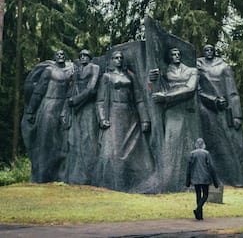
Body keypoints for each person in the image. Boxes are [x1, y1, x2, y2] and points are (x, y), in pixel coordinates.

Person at [197, 44, 243, 187]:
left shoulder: (224, 67)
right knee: (210, 145)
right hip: (205, 110)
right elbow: (196, 90)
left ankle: (237, 178)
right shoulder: (197, 66)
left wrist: (237, 115)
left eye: (211, 50)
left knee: (231, 144)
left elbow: (233, 92)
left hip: (224, 112)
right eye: (206, 50)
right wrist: (212, 100)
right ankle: (210, 177)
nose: (209, 52)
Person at [94, 50, 152, 192]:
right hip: (114, 114)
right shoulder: (106, 77)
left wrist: (145, 119)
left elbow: (139, 99)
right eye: (116, 58)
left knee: (135, 151)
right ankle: (113, 184)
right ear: (112, 60)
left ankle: (137, 183)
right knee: (115, 152)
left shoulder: (130, 77)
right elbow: (100, 101)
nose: (119, 60)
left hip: (131, 115)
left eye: (121, 58)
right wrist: (102, 119)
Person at [150, 47, 201, 192]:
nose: (177, 56)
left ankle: (192, 181)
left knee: (190, 145)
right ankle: (170, 181)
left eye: (179, 53)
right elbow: (152, 87)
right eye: (173, 54)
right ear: (169, 57)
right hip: (171, 110)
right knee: (171, 144)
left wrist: (166, 96)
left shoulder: (192, 71)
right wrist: (151, 78)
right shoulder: (164, 71)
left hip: (188, 110)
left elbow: (190, 89)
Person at [22, 50, 74, 183]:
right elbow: (39, 91)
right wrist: (31, 111)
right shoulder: (49, 71)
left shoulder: (70, 70)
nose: (61, 56)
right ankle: (41, 176)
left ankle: (61, 175)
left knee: (62, 143)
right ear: (55, 57)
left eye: (63, 54)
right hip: (48, 107)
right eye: (58, 55)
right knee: (45, 142)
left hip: (63, 107)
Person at [62, 49, 100, 185]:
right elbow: (71, 87)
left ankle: (91, 175)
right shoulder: (77, 70)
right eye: (81, 56)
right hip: (75, 108)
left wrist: (76, 100)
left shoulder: (94, 67)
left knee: (88, 138)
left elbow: (91, 89)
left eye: (86, 55)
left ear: (90, 57)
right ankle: (76, 174)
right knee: (74, 139)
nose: (83, 57)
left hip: (87, 106)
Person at [186, 138, 218, 220]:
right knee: (205, 195)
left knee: (198, 195)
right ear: (203, 144)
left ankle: (199, 215)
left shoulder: (192, 153)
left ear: (196, 144)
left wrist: (188, 180)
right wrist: (215, 181)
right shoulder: (206, 153)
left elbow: (189, 168)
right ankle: (198, 210)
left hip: (195, 178)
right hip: (205, 178)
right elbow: (211, 167)